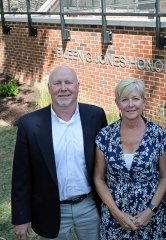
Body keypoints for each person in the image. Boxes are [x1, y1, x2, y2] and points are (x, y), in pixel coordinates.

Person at [11, 65, 108, 240]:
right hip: (50, 209)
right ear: (49, 88)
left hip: (90, 207)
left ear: (77, 86)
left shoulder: (95, 116)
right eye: (57, 83)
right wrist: (21, 218)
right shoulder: (30, 124)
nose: (63, 88)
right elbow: (21, 176)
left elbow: (107, 164)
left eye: (68, 83)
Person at [94, 78, 166, 239]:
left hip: (151, 219)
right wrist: (116, 213)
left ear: (144, 102)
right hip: (115, 218)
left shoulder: (157, 135)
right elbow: (99, 178)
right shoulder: (105, 136)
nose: (130, 105)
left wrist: (150, 210)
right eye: (124, 99)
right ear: (117, 103)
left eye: (135, 99)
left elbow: (165, 177)